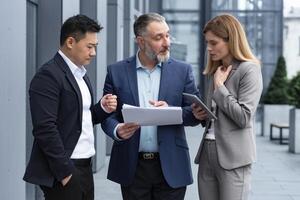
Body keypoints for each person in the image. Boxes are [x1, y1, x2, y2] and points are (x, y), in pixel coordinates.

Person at [101, 13, 200, 200]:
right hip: (133, 167)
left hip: (172, 165)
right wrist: (117, 130)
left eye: (168, 35)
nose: (167, 42)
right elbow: (106, 114)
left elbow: (195, 114)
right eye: (158, 37)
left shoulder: (183, 71)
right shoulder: (116, 71)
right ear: (141, 41)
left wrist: (171, 111)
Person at [23, 14, 117, 200]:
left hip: (84, 168)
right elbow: (45, 129)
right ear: (70, 42)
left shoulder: (80, 74)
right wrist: (65, 173)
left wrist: (102, 108)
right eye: (89, 47)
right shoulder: (48, 75)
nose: (93, 53)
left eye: (95, 47)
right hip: (64, 170)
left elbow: (78, 118)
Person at [192, 14, 263, 200]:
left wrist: (220, 88)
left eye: (213, 43)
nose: (209, 48)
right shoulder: (217, 70)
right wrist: (201, 114)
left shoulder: (250, 70)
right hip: (207, 153)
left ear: (231, 40)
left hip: (234, 158)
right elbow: (216, 115)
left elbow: (243, 117)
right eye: (207, 43)